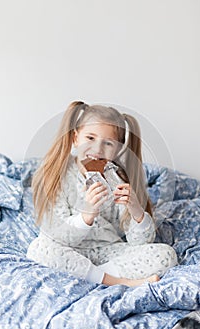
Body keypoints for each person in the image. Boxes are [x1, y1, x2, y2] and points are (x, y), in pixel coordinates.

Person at [27, 101, 178, 287]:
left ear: (118, 149)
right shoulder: (57, 176)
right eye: (90, 138)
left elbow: (140, 243)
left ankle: (92, 276)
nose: (97, 150)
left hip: (109, 252)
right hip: (70, 250)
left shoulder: (117, 178)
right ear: (75, 138)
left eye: (108, 143)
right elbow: (56, 236)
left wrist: (136, 210)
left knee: (166, 255)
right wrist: (86, 216)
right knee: (39, 249)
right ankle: (118, 282)